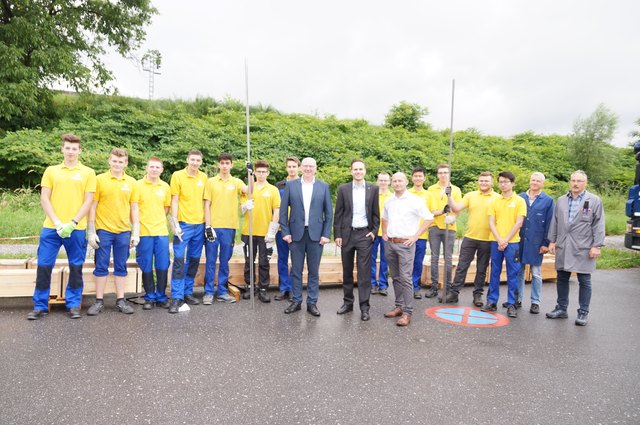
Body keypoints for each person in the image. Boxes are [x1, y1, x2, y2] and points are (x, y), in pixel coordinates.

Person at [28, 134, 96, 320]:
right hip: (51, 228)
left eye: (74, 149)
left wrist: (73, 222)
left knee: (75, 266)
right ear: (62, 149)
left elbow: (89, 201)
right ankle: (40, 305)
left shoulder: (88, 172)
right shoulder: (51, 171)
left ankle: (73, 304)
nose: (71, 151)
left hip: (76, 228)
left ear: (80, 151)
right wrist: (57, 222)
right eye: (68, 148)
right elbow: (44, 198)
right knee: (43, 265)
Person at [546, 170, 605, 326]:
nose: (575, 183)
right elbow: (555, 221)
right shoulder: (561, 200)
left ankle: (583, 312)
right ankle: (561, 308)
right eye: (573, 180)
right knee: (562, 278)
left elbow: (599, 224)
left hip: (583, 246)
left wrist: (596, 245)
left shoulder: (593, 200)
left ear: (585, 183)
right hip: (564, 245)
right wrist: (552, 241)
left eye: (579, 181)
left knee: (584, 280)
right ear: (570, 182)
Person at [86, 148, 137, 316]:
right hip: (103, 230)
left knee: (121, 265)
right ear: (109, 161)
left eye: (120, 161)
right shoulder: (99, 180)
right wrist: (91, 231)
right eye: (114, 161)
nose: (117, 164)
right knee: (101, 265)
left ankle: (120, 300)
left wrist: (135, 230)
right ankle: (99, 301)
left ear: (126, 163)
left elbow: (134, 207)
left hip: (123, 231)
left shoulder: (131, 182)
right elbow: (92, 205)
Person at [279, 157, 333, 317]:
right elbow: (283, 212)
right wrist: (285, 232)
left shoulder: (323, 187)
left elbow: (329, 214)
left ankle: (312, 303)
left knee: (313, 271)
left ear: (316, 168)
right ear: (301, 168)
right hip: (295, 235)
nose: (308, 168)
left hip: (316, 236)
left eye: (311, 166)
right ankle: (296, 301)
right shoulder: (291, 185)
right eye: (306, 166)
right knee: (296, 270)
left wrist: (326, 234)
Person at [382, 172, 434, 326]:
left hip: (406, 244)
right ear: (392, 183)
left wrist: (416, 236)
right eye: (395, 181)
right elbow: (384, 218)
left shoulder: (414, 200)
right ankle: (398, 306)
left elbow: (429, 218)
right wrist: (384, 233)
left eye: (400, 180)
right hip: (390, 243)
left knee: (405, 278)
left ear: (406, 182)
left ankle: (407, 312)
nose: (397, 183)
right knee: (396, 277)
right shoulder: (389, 200)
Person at [334, 159, 380, 321]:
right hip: (347, 235)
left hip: (364, 236)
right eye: (355, 169)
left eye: (361, 169)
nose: (358, 172)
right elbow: (338, 214)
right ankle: (348, 303)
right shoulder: (344, 189)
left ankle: (364, 307)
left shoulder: (373, 189)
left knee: (364, 273)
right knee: (347, 271)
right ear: (351, 171)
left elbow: (376, 213)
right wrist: (337, 235)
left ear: (365, 171)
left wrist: (374, 231)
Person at [446, 172, 500, 306]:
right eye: (481, 181)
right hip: (470, 237)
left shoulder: (498, 198)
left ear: (492, 182)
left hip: (488, 239)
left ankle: (478, 295)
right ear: (478, 182)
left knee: (482, 268)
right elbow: (457, 208)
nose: (483, 183)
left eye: (486, 181)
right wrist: (449, 196)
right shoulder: (471, 195)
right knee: (462, 266)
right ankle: (454, 293)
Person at [203, 153, 250, 304]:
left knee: (224, 260)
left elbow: (250, 191)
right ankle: (209, 292)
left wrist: (250, 174)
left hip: (229, 227)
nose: (224, 166)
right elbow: (206, 205)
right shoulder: (210, 182)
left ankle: (222, 291)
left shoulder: (236, 182)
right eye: (222, 163)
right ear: (218, 165)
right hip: (214, 227)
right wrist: (208, 226)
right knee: (211, 260)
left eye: (227, 163)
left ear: (231, 165)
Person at [481, 171, 527, 318]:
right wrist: (499, 239)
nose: (503, 184)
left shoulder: (519, 201)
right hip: (496, 241)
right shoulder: (494, 201)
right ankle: (491, 301)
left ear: (513, 183)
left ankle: (512, 304)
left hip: (512, 243)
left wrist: (505, 239)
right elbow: (491, 222)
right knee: (494, 271)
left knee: (513, 274)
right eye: (501, 182)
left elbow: (519, 222)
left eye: (506, 181)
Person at [132, 157, 172, 312]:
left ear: (161, 170)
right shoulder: (137, 185)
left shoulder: (165, 186)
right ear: (147, 168)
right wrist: (136, 229)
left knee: (162, 264)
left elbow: (166, 208)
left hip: (161, 232)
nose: (154, 169)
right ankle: (149, 296)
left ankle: (161, 296)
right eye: (152, 167)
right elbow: (134, 208)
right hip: (144, 232)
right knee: (146, 264)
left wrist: (158, 220)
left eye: (157, 167)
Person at [169, 150, 208, 308]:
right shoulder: (178, 176)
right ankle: (177, 296)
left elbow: (205, 201)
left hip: (199, 224)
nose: (195, 163)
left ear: (201, 162)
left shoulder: (203, 177)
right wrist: (175, 222)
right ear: (187, 160)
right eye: (192, 160)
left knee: (193, 260)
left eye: (198, 160)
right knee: (179, 260)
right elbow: (175, 200)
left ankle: (187, 292)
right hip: (184, 224)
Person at [240, 160, 281, 303]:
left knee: (264, 262)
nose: (261, 174)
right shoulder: (248, 189)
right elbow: (241, 209)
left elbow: (277, 210)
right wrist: (245, 206)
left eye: (264, 172)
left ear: (268, 173)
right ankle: (250, 287)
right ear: (255, 173)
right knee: (249, 261)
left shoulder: (273, 190)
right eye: (259, 172)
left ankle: (263, 289)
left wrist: (272, 230)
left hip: (265, 233)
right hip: (249, 231)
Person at [515, 172, 554, 314]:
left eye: (538, 181)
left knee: (536, 273)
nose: (535, 183)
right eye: (533, 180)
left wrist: (546, 243)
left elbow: (550, 223)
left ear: (542, 184)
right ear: (529, 181)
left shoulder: (548, 200)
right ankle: (517, 299)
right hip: (519, 240)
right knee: (518, 271)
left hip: (537, 242)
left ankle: (535, 302)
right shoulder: (519, 197)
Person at [426, 164, 462, 300]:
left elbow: (458, 208)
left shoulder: (456, 190)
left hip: (450, 227)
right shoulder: (431, 189)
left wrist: (453, 216)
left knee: (448, 258)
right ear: (437, 174)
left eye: (446, 172)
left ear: (449, 174)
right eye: (440, 172)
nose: (443, 175)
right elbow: (429, 210)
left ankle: (447, 287)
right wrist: (441, 211)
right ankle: (434, 286)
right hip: (435, 226)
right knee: (434, 257)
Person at [274, 156, 300, 301]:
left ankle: (293, 288)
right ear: (286, 168)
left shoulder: (303, 184)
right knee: (282, 259)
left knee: (296, 260)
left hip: (298, 228)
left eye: (294, 166)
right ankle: (284, 288)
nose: (291, 169)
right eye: (289, 166)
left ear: (298, 168)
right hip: (282, 228)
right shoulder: (279, 185)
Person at [408, 167, 431, 299]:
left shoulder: (429, 195)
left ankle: (415, 287)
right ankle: (405, 286)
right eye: (415, 176)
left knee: (418, 261)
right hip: (406, 234)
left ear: (424, 178)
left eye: (420, 176)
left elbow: (432, 212)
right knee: (406, 262)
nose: (418, 178)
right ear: (412, 178)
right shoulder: (407, 193)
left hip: (421, 234)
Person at [371, 172, 392, 296]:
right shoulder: (373, 195)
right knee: (371, 259)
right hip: (373, 232)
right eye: (381, 180)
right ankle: (373, 284)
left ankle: (383, 285)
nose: (383, 182)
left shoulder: (393, 196)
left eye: (385, 180)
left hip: (387, 233)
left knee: (385, 260)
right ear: (377, 181)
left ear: (389, 182)